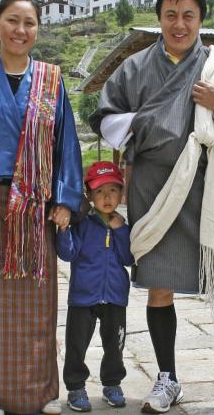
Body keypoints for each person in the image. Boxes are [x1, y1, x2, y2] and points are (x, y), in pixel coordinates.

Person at [90, 0, 214, 415]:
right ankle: (167, 378)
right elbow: (106, 120)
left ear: (201, 19)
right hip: (156, 188)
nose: (179, 24)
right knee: (159, 287)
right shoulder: (135, 68)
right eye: (171, 15)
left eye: (188, 15)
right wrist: (150, 121)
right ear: (160, 19)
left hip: (208, 187)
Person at [0, 0, 83, 415]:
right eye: (12, 20)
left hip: (35, 206)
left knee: (37, 302)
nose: (20, 30)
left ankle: (39, 393)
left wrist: (65, 199)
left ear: (37, 29)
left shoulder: (50, 79)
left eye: (29, 23)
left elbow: (67, 141)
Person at [55, 161, 133, 412]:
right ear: (89, 195)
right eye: (99, 191)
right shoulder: (82, 225)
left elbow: (127, 259)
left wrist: (120, 231)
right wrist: (64, 229)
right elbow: (67, 254)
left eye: (113, 189)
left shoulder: (123, 225)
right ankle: (75, 387)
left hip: (115, 297)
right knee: (76, 345)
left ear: (122, 193)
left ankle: (112, 383)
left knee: (115, 344)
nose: (107, 196)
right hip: (83, 297)